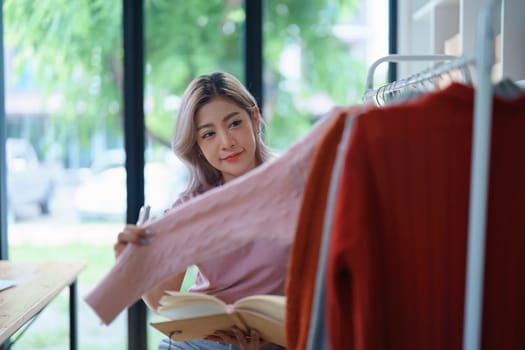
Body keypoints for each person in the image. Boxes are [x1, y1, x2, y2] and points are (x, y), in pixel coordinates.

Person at [114, 72, 288, 350]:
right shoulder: (191, 207)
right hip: (209, 340)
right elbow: (162, 300)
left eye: (234, 123)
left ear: (254, 118)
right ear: (197, 145)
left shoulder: (296, 186)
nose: (226, 142)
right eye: (208, 134)